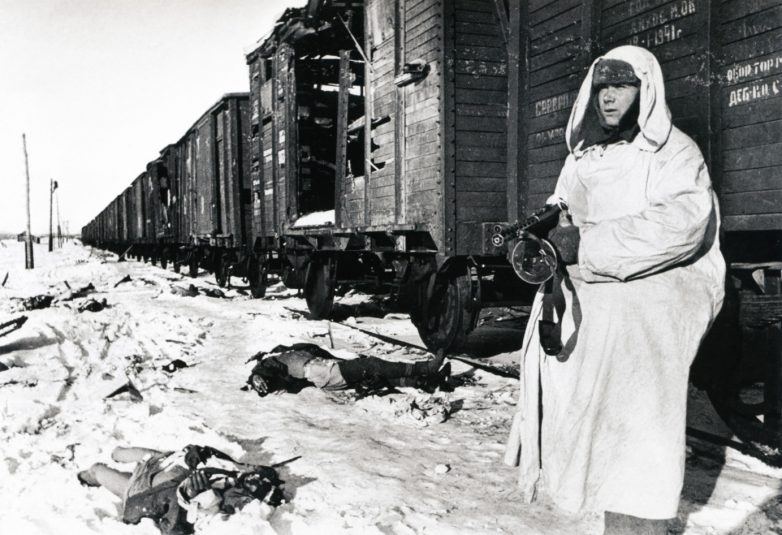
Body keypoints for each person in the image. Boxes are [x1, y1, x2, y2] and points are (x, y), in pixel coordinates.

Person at [504, 45, 725, 534]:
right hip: (593, 323)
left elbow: (682, 226)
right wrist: (542, 236)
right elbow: (563, 209)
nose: (608, 97)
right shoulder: (584, 158)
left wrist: (585, 244)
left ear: (645, 91)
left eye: (621, 86)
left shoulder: (673, 153)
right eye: (602, 87)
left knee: (639, 448)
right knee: (599, 442)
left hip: (644, 326)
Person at [78, 445, 283, 534]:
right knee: (144, 457)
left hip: (144, 490)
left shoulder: (220, 505)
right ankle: (115, 455)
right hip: (163, 467)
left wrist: (198, 500)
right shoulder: (234, 479)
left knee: (101, 471)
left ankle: (92, 473)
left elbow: (175, 525)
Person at [245, 343, 449, 396]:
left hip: (329, 373)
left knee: (374, 374)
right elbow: (263, 373)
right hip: (326, 373)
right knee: (372, 364)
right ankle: (426, 368)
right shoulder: (271, 363)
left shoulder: (287, 353)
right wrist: (256, 377)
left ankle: (424, 382)